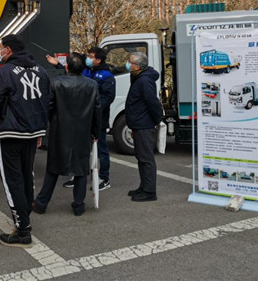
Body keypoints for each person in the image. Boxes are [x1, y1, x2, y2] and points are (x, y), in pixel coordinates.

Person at [0, 34, 50, 247]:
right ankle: (25, 216)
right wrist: (40, 129)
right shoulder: (41, 71)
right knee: (26, 175)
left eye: (1, 47)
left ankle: (22, 230)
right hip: (32, 132)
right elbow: (46, 101)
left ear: (9, 50)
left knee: (12, 180)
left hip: (10, 132)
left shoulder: (3, 72)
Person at [32, 52, 101, 217]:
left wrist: (51, 123)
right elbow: (97, 111)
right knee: (81, 169)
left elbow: (49, 107)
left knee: (53, 167)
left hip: (59, 130)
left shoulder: (56, 83)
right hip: (83, 131)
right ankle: (78, 205)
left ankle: (41, 203)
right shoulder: (92, 85)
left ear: (67, 66)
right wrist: (96, 132)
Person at [47, 46, 115, 190]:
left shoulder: (106, 75)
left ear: (98, 60)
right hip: (82, 119)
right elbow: (73, 74)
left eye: (91, 57)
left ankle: (104, 178)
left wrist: (91, 110)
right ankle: (75, 174)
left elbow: (107, 98)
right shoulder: (87, 71)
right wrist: (58, 65)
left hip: (97, 119)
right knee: (77, 149)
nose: (88, 59)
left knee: (101, 149)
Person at [125, 51, 163, 202]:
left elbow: (153, 102)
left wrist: (156, 120)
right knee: (141, 158)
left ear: (138, 66)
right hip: (139, 123)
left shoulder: (145, 80)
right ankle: (143, 186)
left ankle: (149, 191)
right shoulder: (138, 77)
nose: (128, 64)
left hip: (144, 125)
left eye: (130, 62)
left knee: (146, 159)